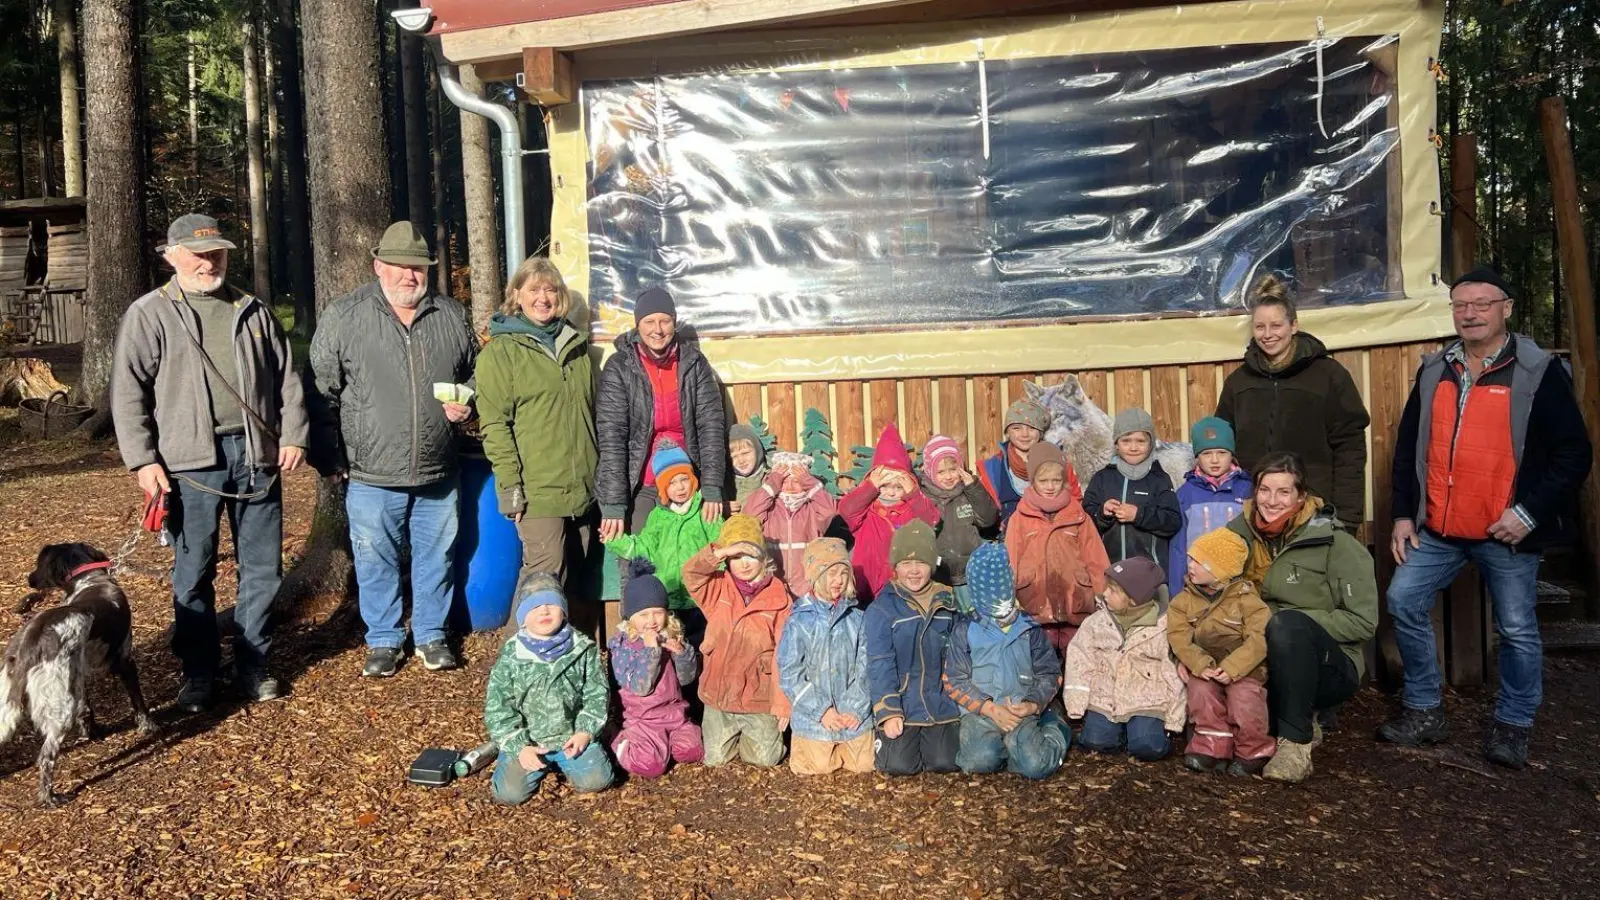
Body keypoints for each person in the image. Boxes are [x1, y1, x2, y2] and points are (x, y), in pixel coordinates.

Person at [1378, 267, 1592, 770]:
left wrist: (1528, 514)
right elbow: (1409, 447)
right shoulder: (1436, 370)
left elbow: (1573, 455)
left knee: (1517, 629)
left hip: (1506, 533)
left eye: (1481, 303)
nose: (1470, 313)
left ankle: (1514, 725)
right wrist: (1405, 514)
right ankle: (1426, 711)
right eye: (1460, 305)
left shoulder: (1537, 372)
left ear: (1506, 308)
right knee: (1403, 600)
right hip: (1439, 530)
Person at [111, 213, 308, 711]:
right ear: (171, 256)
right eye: (197, 254)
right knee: (193, 571)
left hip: (257, 454)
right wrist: (143, 462)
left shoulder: (253, 310)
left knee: (262, 568)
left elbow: (287, 380)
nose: (208, 262)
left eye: (216, 252)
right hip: (187, 463)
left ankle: (253, 663)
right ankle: (197, 673)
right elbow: (127, 395)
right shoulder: (149, 314)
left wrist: (294, 435)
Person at [309, 221, 478, 678]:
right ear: (378, 266)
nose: (410, 276)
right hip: (370, 471)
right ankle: (383, 639)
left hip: (439, 469)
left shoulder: (450, 316)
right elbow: (320, 391)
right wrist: (327, 456)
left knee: (436, 556)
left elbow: (477, 374)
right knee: (374, 557)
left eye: (419, 268)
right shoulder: (346, 316)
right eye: (401, 267)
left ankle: (431, 635)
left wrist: (468, 401)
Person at [1225, 452, 1377, 783]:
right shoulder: (1236, 536)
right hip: (1259, 654)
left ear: (1301, 496)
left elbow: (1363, 622)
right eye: (1265, 490)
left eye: (1283, 492)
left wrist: (1285, 620)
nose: (1272, 500)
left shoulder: (1335, 543)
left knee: (1287, 624)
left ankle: (1295, 745)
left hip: (1327, 665)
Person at [475, 256, 598, 618]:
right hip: (537, 487)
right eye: (533, 290)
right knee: (543, 584)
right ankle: (516, 670)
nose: (543, 298)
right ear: (517, 295)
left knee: (575, 584)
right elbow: (495, 425)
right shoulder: (501, 352)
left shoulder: (576, 348)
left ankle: (569, 666)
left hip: (583, 486)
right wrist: (510, 486)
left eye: (550, 290)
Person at [1216, 275, 1370, 530]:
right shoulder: (1238, 382)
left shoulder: (1330, 376)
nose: (1267, 335)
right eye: (1259, 327)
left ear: (1294, 325)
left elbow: (1350, 448)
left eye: (1276, 326)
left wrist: (1348, 517)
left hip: (1313, 510)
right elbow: (1222, 446)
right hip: (1254, 509)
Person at [596, 287, 726, 559]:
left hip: (686, 482)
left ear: (674, 322)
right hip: (641, 483)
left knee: (692, 561)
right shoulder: (619, 367)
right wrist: (614, 504)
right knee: (639, 563)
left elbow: (710, 428)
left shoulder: (694, 365)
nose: (658, 329)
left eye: (665, 321)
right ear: (638, 324)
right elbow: (612, 438)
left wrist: (712, 488)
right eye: (649, 322)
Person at [943, 543, 1070, 780]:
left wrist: (1032, 705)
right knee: (979, 761)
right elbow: (954, 679)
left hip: (1020, 709)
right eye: (989, 592)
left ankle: (1054, 725)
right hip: (982, 713)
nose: (998, 599)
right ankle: (1012, 746)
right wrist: (988, 708)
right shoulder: (965, 629)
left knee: (1036, 766)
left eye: (1002, 587)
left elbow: (1050, 672)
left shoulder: (1029, 627)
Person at [484, 574, 614, 803]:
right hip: (529, 741)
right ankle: (516, 757)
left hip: (570, 738)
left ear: (563, 611)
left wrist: (585, 731)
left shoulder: (582, 649)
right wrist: (519, 746)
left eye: (551, 604)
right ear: (523, 618)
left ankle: (570, 760)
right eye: (534, 607)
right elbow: (499, 708)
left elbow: (597, 693)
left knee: (598, 780)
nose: (544, 611)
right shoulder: (512, 656)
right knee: (509, 795)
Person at [680, 514, 793, 768]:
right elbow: (690, 573)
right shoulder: (717, 589)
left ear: (763, 558)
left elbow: (784, 654)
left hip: (757, 696)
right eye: (736, 557)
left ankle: (754, 737)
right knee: (716, 760)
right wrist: (721, 551)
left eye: (750, 555)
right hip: (720, 695)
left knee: (765, 760)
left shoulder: (779, 597)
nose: (744, 564)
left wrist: (782, 703)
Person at [1167, 528, 1273, 776]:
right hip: (1205, 666)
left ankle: (1253, 751)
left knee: (1244, 699)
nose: (1190, 565)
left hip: (1244, 669)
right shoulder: (1182, 602)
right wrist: (1199, 663)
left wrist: (1234, 668)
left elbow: (1259, 639)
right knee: (1202, 696)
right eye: (1190, 558)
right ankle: (1212, 748)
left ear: (1221, 571)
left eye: (1199, 561)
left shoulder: (1247, 600)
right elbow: (1179, 638)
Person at [1063, 557, 1186, 762]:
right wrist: (1076, 705)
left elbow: (1172, 671)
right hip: (1104, 696)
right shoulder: (1097, 622)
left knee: (1148, 747)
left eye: (1113, 590)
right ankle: (1114, 734)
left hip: (1147, 699)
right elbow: (1080, 658)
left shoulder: (1163, 627)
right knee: (1096, 742)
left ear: (1133, 599)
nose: (1105, 594)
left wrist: (1174, 718)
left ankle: (1142, 734)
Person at [865, 521, 962, 775]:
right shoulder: (883, 609)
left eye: (921, 562)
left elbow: (960, 658)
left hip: (940, 701)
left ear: (932, 564)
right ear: (895, 567)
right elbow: (880, 663)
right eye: (906, 563)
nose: (914, 571)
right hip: (903, 703)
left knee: (944, 763)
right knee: (898, 766)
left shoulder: (949, 604)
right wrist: (888, 711)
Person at [601, 441, 723, 631]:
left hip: (701, 596)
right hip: (670, 599)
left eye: (684, 479)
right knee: (674, 645)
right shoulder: (658, 516)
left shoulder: (705, 511)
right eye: (672, 483)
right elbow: (645, 547)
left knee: (702, 646)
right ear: (663, 488)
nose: (680, 487)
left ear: (693, 480)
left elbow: (719, 545)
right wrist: (616, 541)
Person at [777, 538, 874, 776]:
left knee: (864, 765)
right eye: (830, 574)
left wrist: (855, 708)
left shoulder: (858, 617)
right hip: (815, 716)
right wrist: (822, 711)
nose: (838, 580)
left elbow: (867, 666)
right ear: (814, 576)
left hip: (851, 712)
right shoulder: (800, 619)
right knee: (817, 767)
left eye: (843, 573)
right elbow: (790, 673)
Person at [1005, 442, 1111, 652]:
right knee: (1042, 664)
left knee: (1076, 660)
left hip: (1075, 603)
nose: (1050, 486)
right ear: (1032, 480)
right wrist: (1010, 599)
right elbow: (1011, 560)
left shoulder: (1078, 515)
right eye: (1043, 480)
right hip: (1035, 604)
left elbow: (1096, 559)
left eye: (1056, 480)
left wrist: (1104, 595)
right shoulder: (1020, 518)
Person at [608, 559, 703, 779]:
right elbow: (641, 688)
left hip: (675, 714)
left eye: (657, 612)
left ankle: (664, 744)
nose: (651, 621)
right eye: (643, 615)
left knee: (692, 751)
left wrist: (681, 653)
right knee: (651, 766)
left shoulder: (671, 636)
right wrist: (651, 652)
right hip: (642, 719)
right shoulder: (624, 646)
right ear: (630, 617)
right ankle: (617, 739)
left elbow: (687, 679)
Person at [839, 424, 940, 600]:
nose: (891, 492)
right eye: (885, 486)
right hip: (866, 588)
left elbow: (932, 521)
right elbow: (846, 510)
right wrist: (870, 487)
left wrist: (913, 495)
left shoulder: (911, 510)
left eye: (898, 487)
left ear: (908, 485)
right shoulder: (867, 510)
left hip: (903, 589)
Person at [1083, 408, 1182, 565]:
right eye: (1126, 441)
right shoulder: (1102, 478)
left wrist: (1139, 515)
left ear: (1151, 444)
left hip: (1151, 575)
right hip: (1110, 572)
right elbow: (1085, 519)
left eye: (1141, 441)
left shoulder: (1159, 479)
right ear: (1116, 444)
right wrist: (1102, 513)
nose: (1133, 448)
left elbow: (1173, 522)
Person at [1167, 417, 1253, 597]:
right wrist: (1176, 594)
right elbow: (1178, 548)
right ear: (1197, 457)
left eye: (1222, 452)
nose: (1214, 460)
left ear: (1232, 454)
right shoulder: (1185, 494)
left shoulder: (1247, 490)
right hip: (1197, 585)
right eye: (1207, 454)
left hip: (1238, 584)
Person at [919, 434, 1000, 613]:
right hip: (937, 577)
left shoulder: (969, 491)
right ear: (930, 472)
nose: (948, 476)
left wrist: (973, 488)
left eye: (953, 469)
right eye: (941, 472)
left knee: (972, 619)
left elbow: (988, 520)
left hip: (969, 576)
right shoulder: (923, 496)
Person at [745, 450, 839, 597]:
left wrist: (809, 481)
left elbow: (829, 510)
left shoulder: (811, 510)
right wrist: (773, 482)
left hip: (805, 587)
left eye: (796, 481)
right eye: (784, 481)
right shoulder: (769, 508)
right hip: (773, 585)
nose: (789, 487)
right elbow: (750, 513)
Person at [978, 398, 1081, 527]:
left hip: (1052, 535)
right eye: (1016, 428)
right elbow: (985, 516)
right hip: (1010, 540)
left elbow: (1075, 502)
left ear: (1041, 432)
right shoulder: (993, 468)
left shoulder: (1059, 462)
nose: (1024, 434)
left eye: (1032, 428)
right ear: (1007, 432)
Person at [726, 423, 769, 513]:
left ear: (757, 450)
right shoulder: (726, 483)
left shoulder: (769, 477)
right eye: (734, 457)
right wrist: (723, 508)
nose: (741, 460)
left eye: (745, 453)